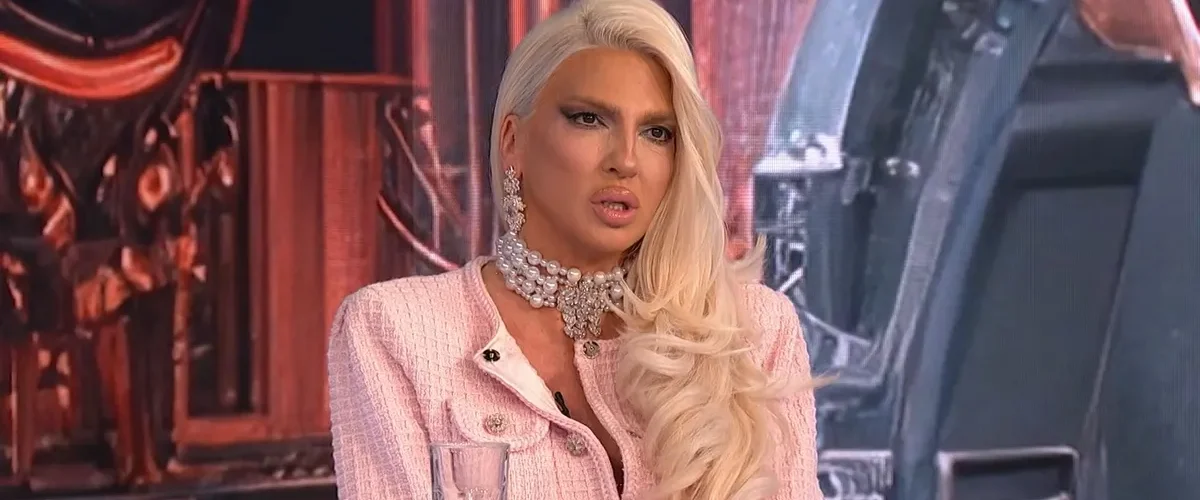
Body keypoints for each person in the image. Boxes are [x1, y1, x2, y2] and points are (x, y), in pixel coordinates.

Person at [327, 0, 821, 498]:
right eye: (589, 119)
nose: (626, 160)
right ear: (513, 141)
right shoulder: (395, 330)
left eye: (657, 132)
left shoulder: (752, 333)